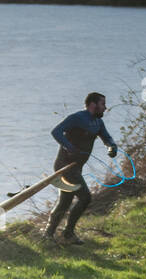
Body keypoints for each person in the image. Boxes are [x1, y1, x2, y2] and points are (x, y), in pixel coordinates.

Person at [45, 92, 118, 246]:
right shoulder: (77, 118)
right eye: (102, 104)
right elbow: (56, 132)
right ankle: (67, 233)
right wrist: (69, 147)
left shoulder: (97, 122)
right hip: (65, 166)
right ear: (93, 105)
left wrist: (112, 147)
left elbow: (107, 137)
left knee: (65, 202)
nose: (105, 108)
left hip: (76, 168)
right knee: (85, 197)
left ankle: (49, 235)